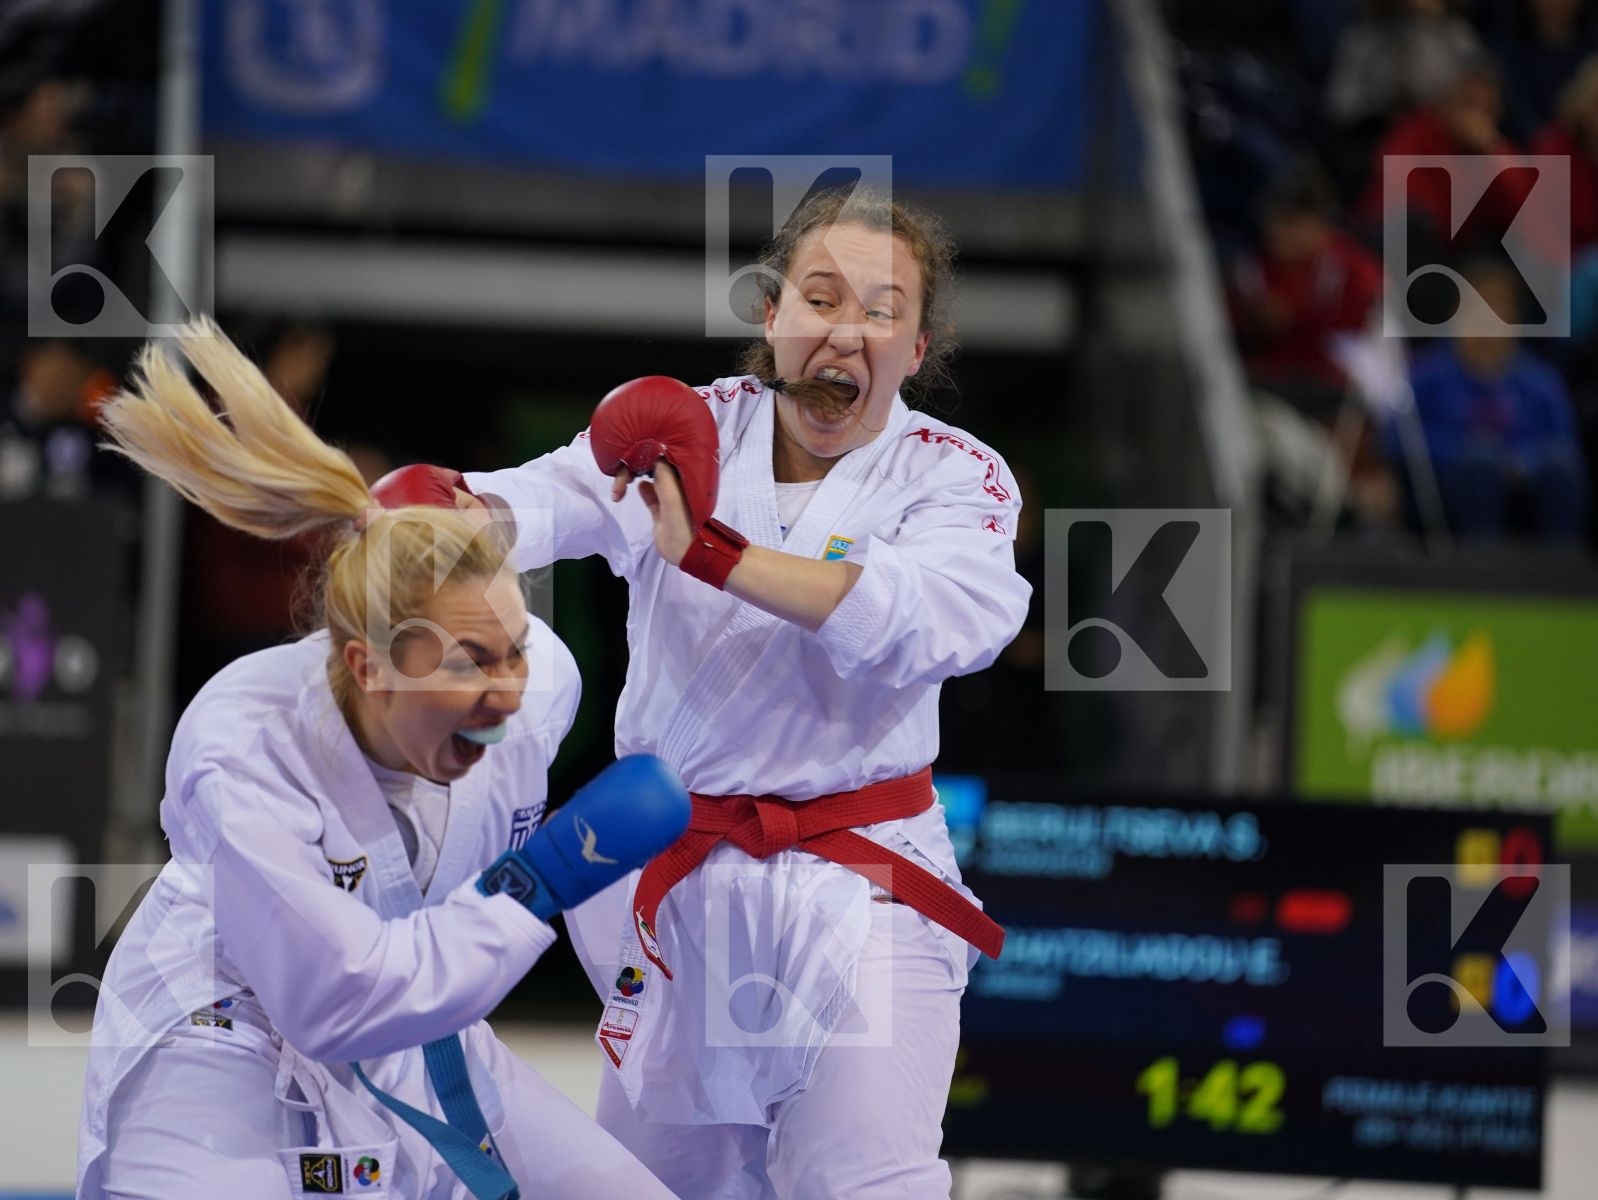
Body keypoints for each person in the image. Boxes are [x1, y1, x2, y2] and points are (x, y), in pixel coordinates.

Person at [454, 187, 1031, 1198]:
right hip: (680, 879)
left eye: (880, 310)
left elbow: (931, 620)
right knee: (648, 1189)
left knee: (866, 1183)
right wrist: (438, 507)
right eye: (819, 296)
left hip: (865, 884)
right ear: (771, 316)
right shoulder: (687, 432)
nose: (844, 329)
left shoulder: (953, 478)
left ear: (914, 347)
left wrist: (715, 554)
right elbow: (541, 499)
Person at [77, 320, 685, 1200]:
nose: (506, 690)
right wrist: (532, 886)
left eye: (514, 648)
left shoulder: (544, 686)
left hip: (420, 1032)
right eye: (472, 662)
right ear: (369, 665)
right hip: (227, 1032)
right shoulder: (245, 745)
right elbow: (331, 1001)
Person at [1398, 258, 1589, 540]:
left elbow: (1563, 440)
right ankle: (1483, 572)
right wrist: (1469, 451)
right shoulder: (1428, 376)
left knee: (1558, 470)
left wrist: (1519, 461)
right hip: (1453, 489)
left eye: (1499, 307)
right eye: (1477, 306)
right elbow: (1402, 436)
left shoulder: (1540, 380)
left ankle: (1558, 569)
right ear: (1455, 315)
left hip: (1529, 485)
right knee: (1480, 465)